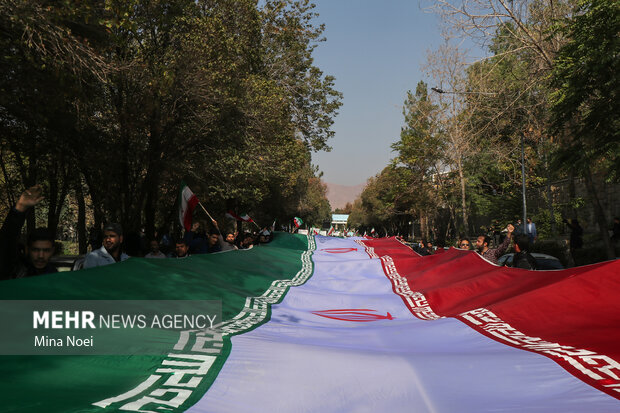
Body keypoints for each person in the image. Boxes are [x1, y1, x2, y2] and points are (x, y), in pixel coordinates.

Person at [0, 185, 58, 280]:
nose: (40, 256)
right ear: (27, 249)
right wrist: (20, 208)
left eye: (46, 250)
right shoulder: (15, 270)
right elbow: (7, 240)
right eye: (35, 250)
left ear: (53, 250)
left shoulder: (54, 275)